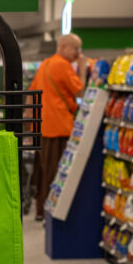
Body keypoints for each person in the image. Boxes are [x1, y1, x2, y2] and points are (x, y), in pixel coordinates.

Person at [28, 33, 86, 221]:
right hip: (59, 126)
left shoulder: (46, 64)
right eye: (76, 49)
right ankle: (51, 213)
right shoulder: (62, 65)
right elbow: (80, 90)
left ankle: (40, 210)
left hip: (43, 126)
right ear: (63, 47)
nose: (78, 53)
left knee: (43, 171)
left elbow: (32, 94)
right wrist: (82, 68)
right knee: (56, 172)